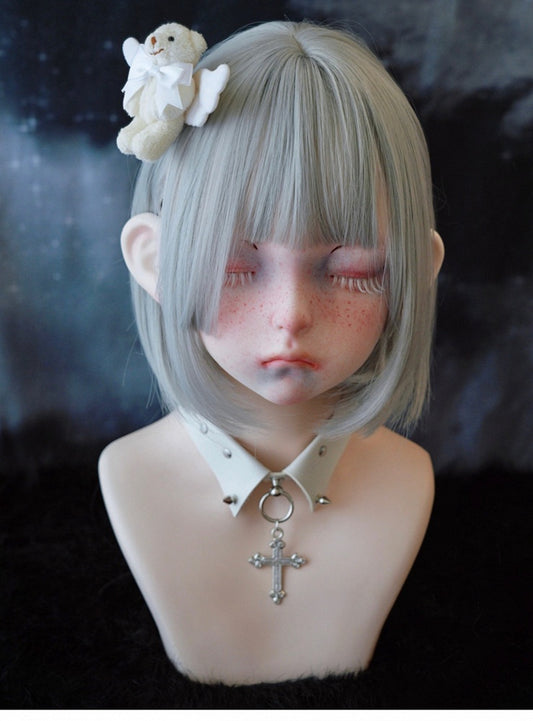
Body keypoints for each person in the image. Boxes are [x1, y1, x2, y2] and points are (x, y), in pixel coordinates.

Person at [99, 20, 444, 685]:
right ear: (154, 262)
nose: (291, 316)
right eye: (236, 267)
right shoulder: (126, 478)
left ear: (413, 273)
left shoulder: (416, 485)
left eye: (349, 271)